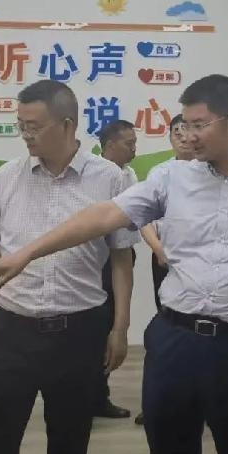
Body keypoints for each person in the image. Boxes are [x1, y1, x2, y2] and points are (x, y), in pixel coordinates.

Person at [0, 74, 228, 454]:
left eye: (199, 125)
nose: (188, 136)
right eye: (184, 125)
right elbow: (105, 215)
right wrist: (28, 252)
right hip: (177, 341)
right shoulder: (170, 177)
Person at [0, 80, 138, 454]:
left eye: (34, 126)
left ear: (67, 125)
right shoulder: (6, 177)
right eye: (21, 125)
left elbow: (121, 259)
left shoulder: (109, 179)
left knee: (69, 448)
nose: (25, 134)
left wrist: (120, 328)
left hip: (79, 332)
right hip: (11, 331)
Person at [134, 114, 194, 427]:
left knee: (196, 331)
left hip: (199, 265)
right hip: (164, 259)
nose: (183, 137)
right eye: (176, 132)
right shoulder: (161, 172)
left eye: (188, 131)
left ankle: (197, 400)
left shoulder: (210, 171)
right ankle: (159, 401)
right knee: (167, 328)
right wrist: (158, 249)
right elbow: (143, 218)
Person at [96, 120, 139, 419]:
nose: (135, 148)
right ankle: (89, 396)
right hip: (98, 261)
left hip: (122, 254)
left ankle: (99, 395)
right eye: (129, 143)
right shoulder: (95, 176)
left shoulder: (130, 174)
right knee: (95, 328)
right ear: (110, 145)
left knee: (111, 325)